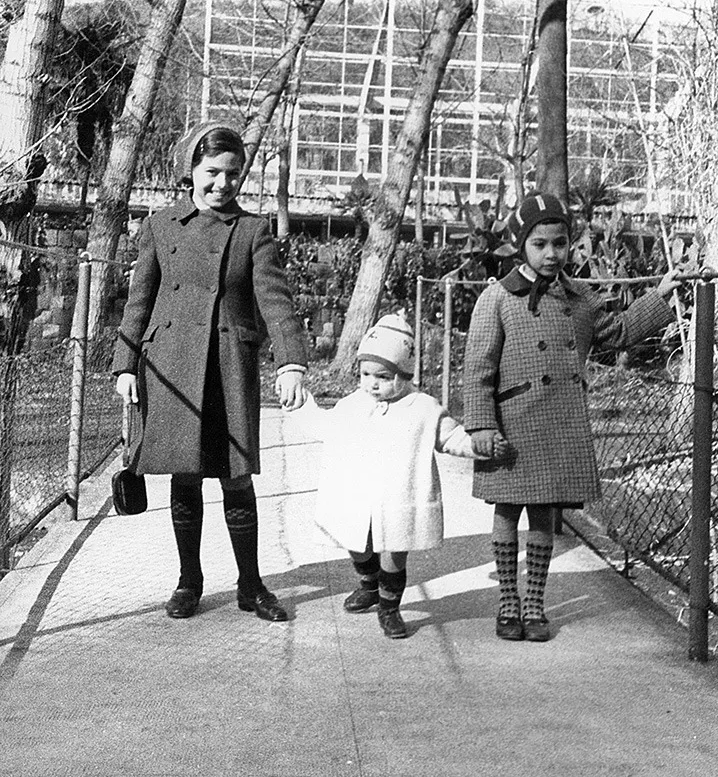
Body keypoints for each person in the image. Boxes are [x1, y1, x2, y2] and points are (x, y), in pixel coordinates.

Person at [463, 192, 681, 643]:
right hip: (512, 422)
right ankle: (508, 602)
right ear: (521, 245)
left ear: (569, 245)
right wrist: (482, 425)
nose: (550, 254)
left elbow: (616, 332)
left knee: (545, 512)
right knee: (507, 508)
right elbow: (478, 368)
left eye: (559, 243)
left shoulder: (579, 298)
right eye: (539, 244)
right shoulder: (497, 298)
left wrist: (658, 297)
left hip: (558, 423)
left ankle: (535, 604)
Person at [112, 121, 308, 621]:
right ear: (190, 171)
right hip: (172, 365)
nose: (223, 184)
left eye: (233, 174)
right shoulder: (159, 225)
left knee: (236, 479)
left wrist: (290, 361)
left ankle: (251, 585)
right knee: (186, 477)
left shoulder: (252, 230)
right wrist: (125, 364)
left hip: (227, 366)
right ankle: (188, 582)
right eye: (212, 172)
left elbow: (276, 303)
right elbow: (140, 299)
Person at [287, 312, 507, 639]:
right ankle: (368, 586)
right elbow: (323, 427)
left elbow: (451, 438)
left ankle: (389, 608)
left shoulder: (424, 408)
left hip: (400, 499)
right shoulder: (352, 405)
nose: (371, 383)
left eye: (382, 376)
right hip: (358, 497)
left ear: (403, 374)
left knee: (393, 554)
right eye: (365, 374)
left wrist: (479, 446)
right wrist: (300, 403)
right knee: (358, 545)